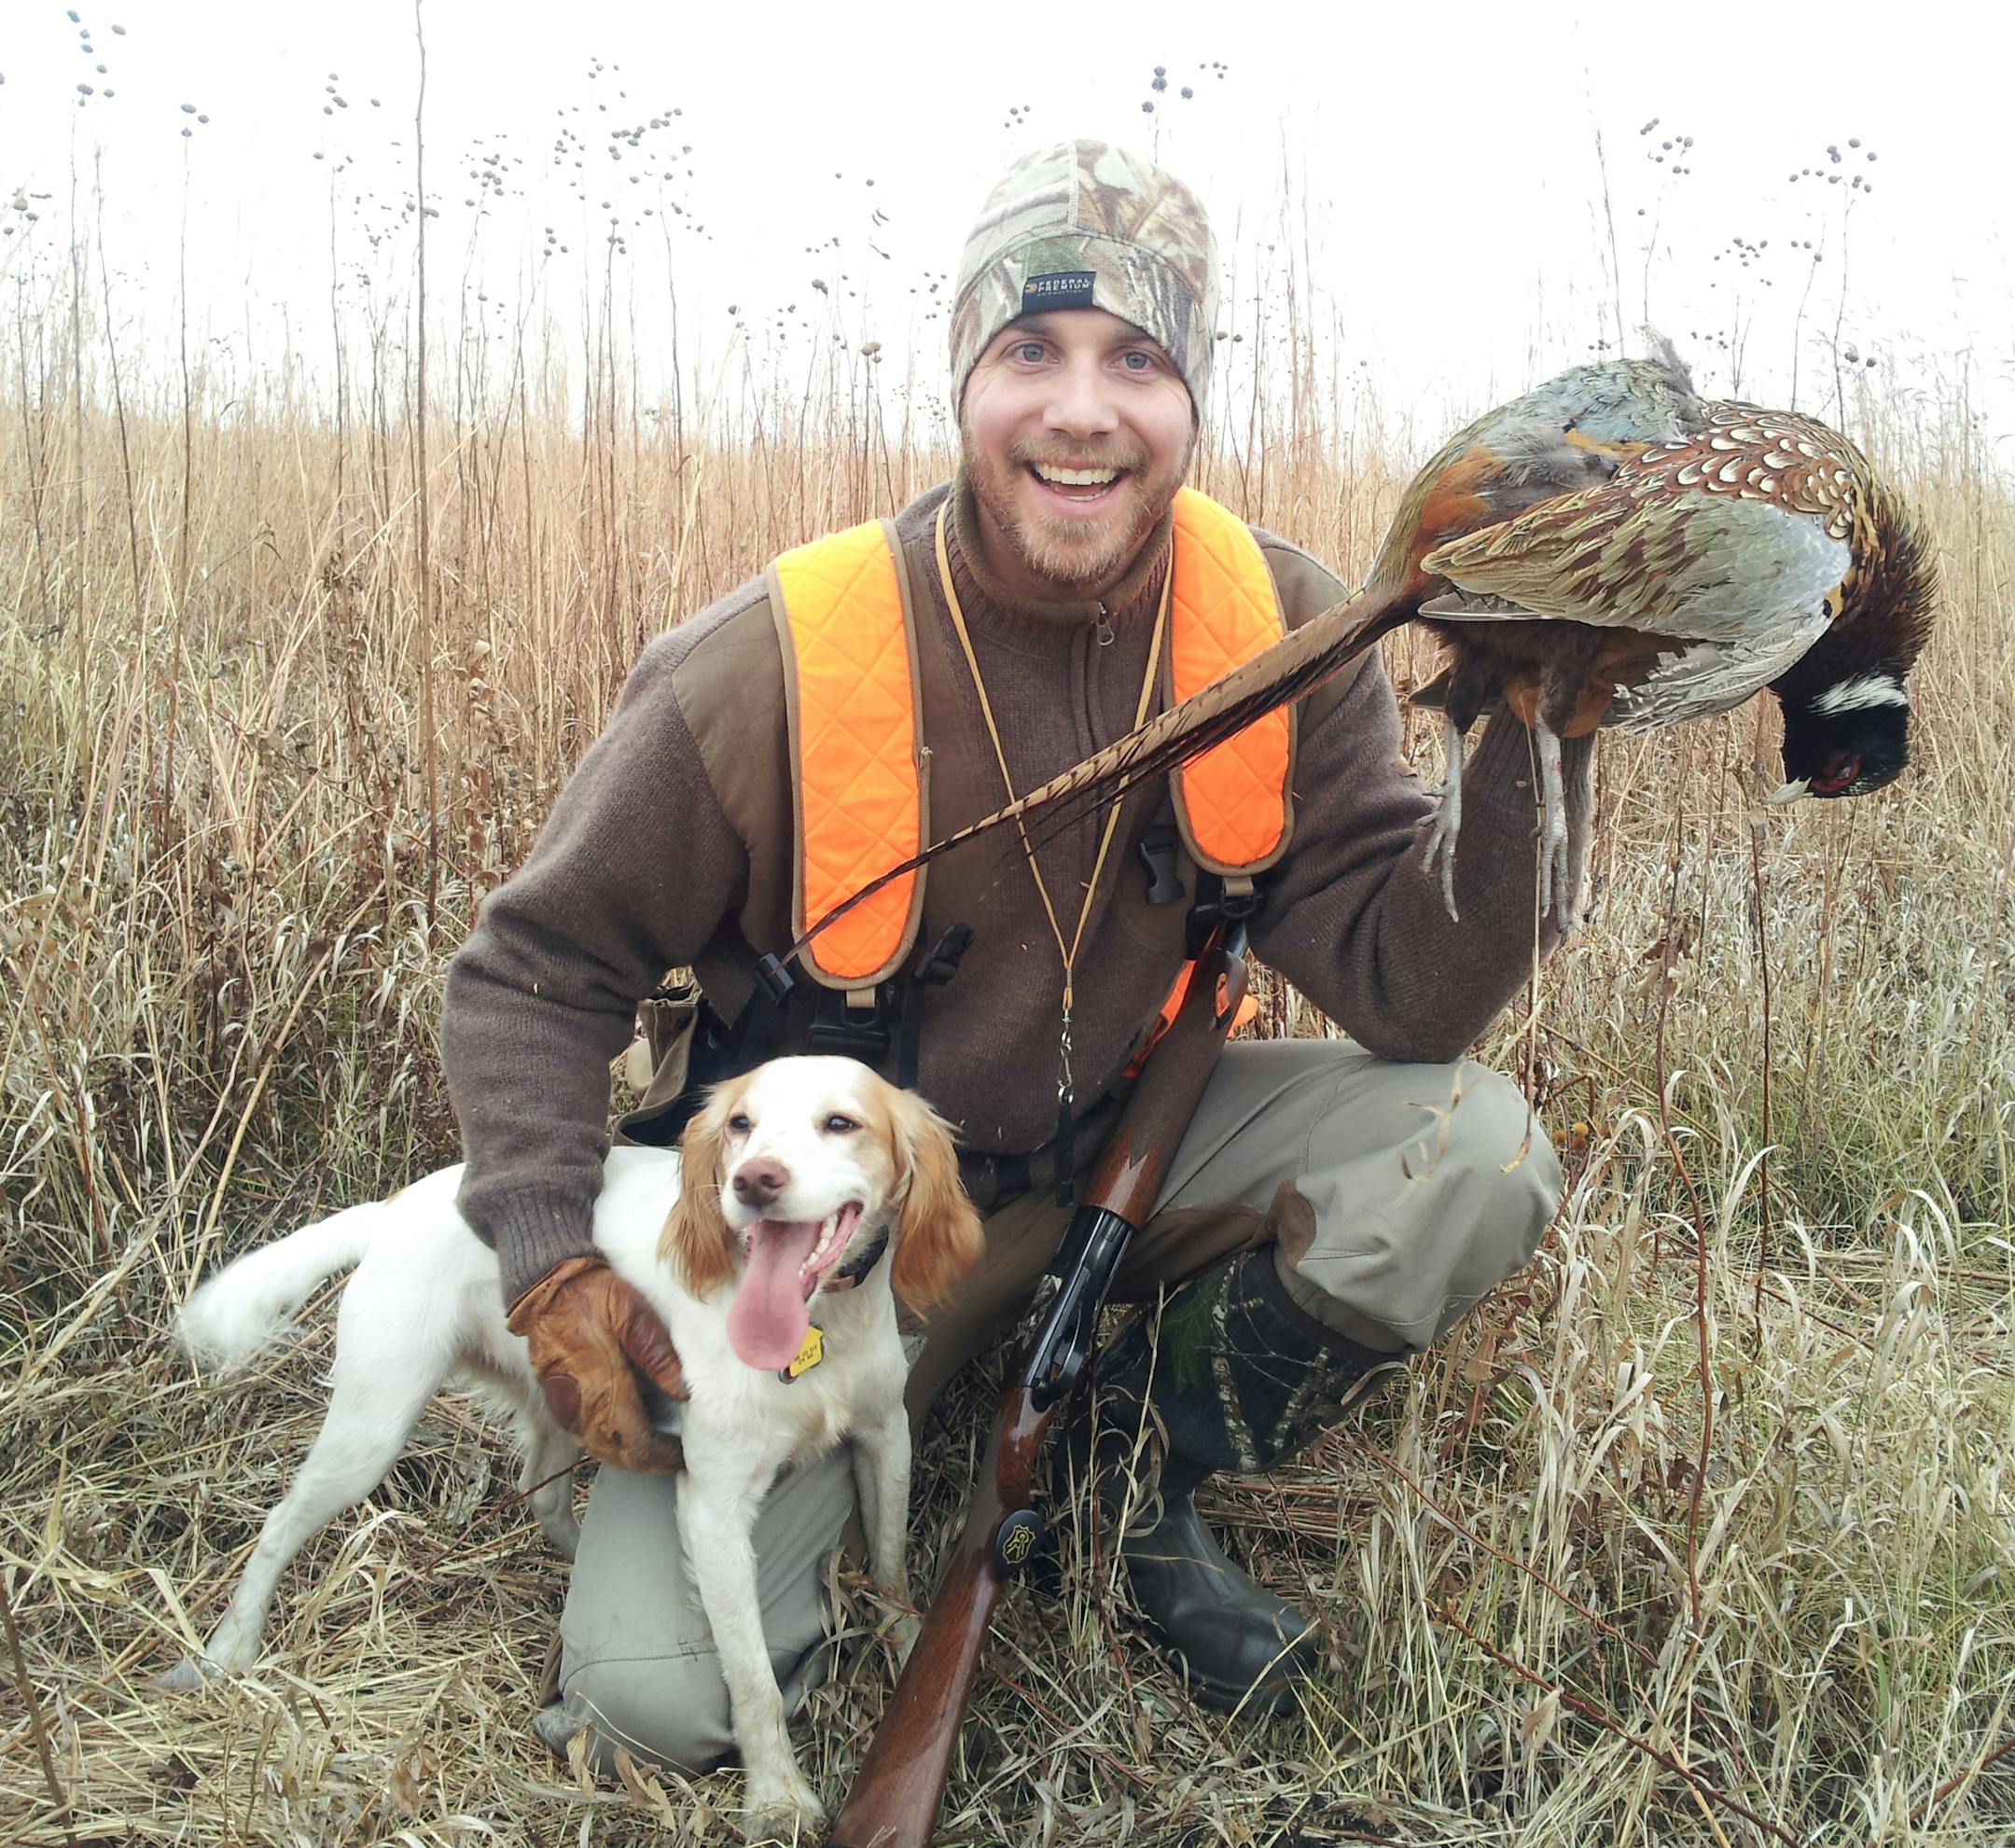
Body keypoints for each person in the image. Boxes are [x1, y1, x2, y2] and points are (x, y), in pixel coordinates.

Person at [441, 139, 1587, 1770]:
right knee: (653, 1703)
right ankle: (898, 1442)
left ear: (1191, 401)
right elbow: (529, 975)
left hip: (1131, 1148)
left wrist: (1536, 731)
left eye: (1138, 360)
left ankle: (1120, 1477)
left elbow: (1416, 991)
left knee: (1469, 1147)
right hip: (837, 1241)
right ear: (965, 380)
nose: (1080, 410)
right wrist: (556, 1265)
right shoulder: (778, 654)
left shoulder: (1289, 627)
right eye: (1029, 354)